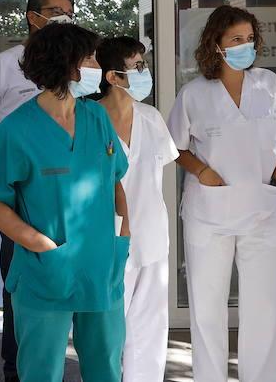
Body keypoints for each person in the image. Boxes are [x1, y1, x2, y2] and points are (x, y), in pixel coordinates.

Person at [0, 23, 130, 382]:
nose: (95, 66)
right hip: (45, 270)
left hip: (101, 266)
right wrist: (40, 245)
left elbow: (114, 177)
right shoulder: (17, 128)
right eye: (89, 58)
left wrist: (124, 231)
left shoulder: (97, 117)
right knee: (41, 371)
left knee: (106, 366)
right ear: (68, 65)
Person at [166, 6, 276, 382]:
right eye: (236, 39)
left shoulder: (270, 85)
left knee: (263, 307)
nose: (246, 46)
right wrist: (203, 171)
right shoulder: (194, 92)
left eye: (249, 38)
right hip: (210, 214)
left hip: (263, 210)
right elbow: (176, 147)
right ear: (216, 45)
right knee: (207, 309)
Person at [0, 0, 74, 382]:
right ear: (34, 17)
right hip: (22, 193)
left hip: (70, 193)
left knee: (71, 274)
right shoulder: (7, 64)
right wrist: (3, 170)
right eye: (56, 10)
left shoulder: (77, 64)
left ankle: (65, 361)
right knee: (21, 279)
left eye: (69, 10)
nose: (64, 16)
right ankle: (15, 367)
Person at [95, 36, 177, 382]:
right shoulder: (89, 118)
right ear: (113, 77)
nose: (146, 73)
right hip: (106, 242)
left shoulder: (151, 117)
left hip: (152, 237)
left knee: (150, 332)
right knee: (107, 332)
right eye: (137, 67)